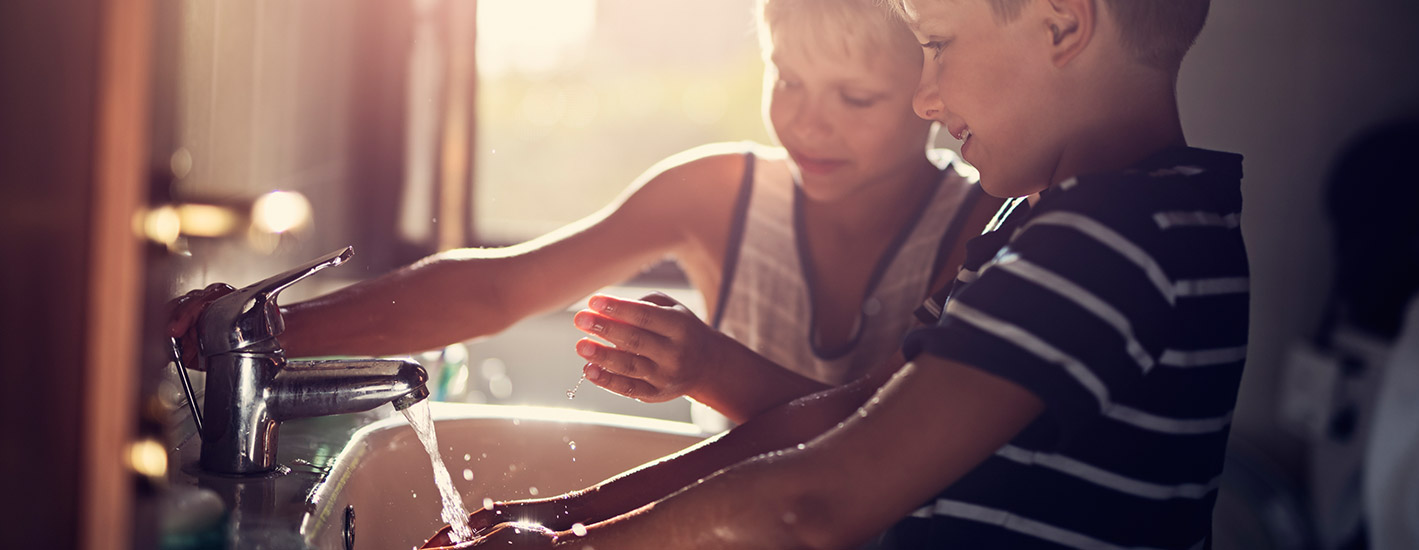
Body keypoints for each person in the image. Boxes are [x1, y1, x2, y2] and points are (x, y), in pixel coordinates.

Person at [425, 0, 1246, 547]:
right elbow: (841, 422)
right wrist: (557, 519)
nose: (923, 98)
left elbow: (813, 498)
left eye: (937, 46)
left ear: (1063, 26)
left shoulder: (1106, 242)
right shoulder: (1061, 223)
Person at [167, 0, 1001, 426]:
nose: (807, 122)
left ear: (932, 92)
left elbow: (884, 435)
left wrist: (710, 368)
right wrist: (274, 332)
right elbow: (497, 291)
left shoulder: (979, 224)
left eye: (855, 98)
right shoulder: (720, 193)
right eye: (787, 80)